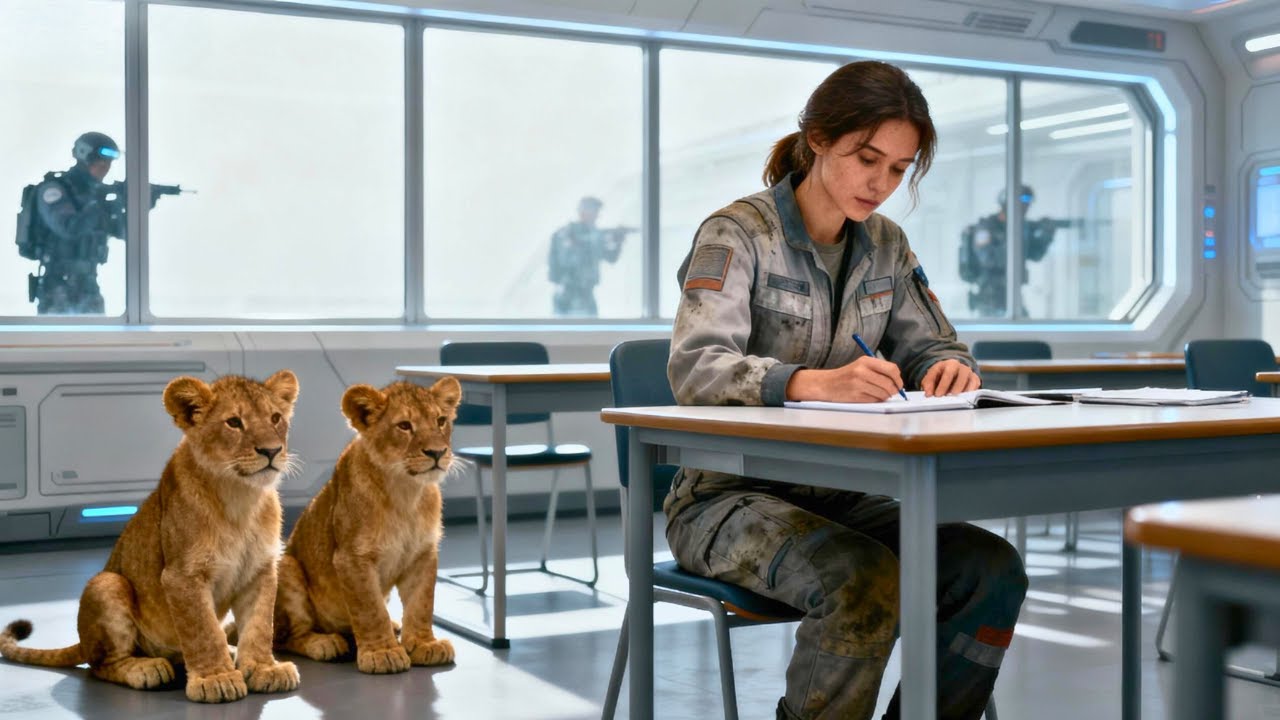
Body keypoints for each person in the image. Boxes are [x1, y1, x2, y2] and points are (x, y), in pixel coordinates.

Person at [665, 61, 1028, 720]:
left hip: (840, 493)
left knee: (991, 569)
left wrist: (947, 368)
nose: (881, 183)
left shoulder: (888, 244)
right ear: (817, 139)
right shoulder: (737, 233)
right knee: (859, 579)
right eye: (867, 158)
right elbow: (697, 366)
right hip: (726, 497)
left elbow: (933, 343)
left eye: (899, 168)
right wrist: (810, 383)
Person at [958, 185, 1070, 317]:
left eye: (1027, 204)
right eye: (1022, 203)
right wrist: (1018, 235)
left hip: (1012, 296)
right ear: (1007, 203)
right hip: (990, 297)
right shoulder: (986, 228)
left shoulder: (1020, 228)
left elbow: (1035, 255)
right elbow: (989, 259)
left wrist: (1047, 235)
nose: (1025, 208)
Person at [546, 196, 633, 317]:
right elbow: (567, 261)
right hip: (568, 294)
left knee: (592, 329)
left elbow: (611, 258)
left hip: (586, 294)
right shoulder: (566, 233)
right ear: (583, 212)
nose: (597, 216)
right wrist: (593, 242)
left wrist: (618, 243)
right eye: (594, 212)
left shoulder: (594, 236)